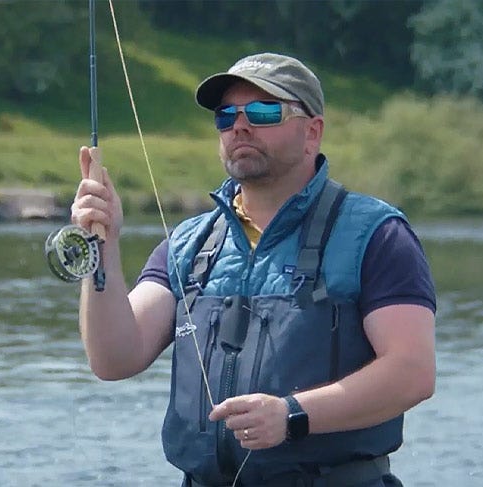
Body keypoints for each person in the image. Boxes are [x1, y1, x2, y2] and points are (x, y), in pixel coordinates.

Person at [70, 52, 436, 486]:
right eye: (226, 116)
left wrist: (292, 415)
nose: (240, 126)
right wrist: (102, 248)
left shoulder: (376, 235)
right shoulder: (187, 244)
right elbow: (114, 358)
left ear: (311, 132)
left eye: (264, 111)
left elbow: (412, 372)